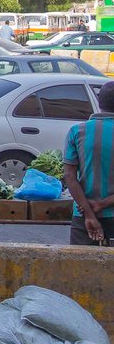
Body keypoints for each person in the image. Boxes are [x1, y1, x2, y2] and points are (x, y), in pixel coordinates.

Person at [63, 82, 114, 245]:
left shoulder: (76, 132)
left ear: (99, 102)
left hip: (83, 216)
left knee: (81, 268)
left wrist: (90, 214)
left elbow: (69, 177)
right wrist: (102, 204)